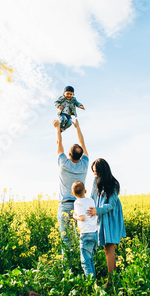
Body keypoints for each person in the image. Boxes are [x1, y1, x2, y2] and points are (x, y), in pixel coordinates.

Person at [87, 158, 126, 286]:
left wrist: (97, 211)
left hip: (111, 217)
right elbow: (92, 197)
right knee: (107, 249)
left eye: (96, 171)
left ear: (103, 171)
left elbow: (111, 205)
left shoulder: (113, 184)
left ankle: (111, 281)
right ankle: (113, 277)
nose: (94, 174)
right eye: (93, 171)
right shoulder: (96, 181)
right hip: (101, 217)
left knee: (109, 248)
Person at [52, 118, 89, 250]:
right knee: (81, 237)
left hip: (65, 206)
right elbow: (82, 144)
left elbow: (58, 142)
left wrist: (57, 128)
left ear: (69, 154)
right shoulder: (84, 165)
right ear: (81, 156)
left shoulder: (63, 163)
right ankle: (83, 263)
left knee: (66, 240)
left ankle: (68, 269)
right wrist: (77, 127)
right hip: (80, 205)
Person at [72, 181, 98, 278]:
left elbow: (82, 218)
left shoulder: (77, 202)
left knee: (85, 262)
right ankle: (94, 281)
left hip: (86, 235)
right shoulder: (91, 200)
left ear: (73, 194)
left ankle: (91, 284)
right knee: (90, 259)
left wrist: (75, 217)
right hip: (94, 233)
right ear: (85, 191)